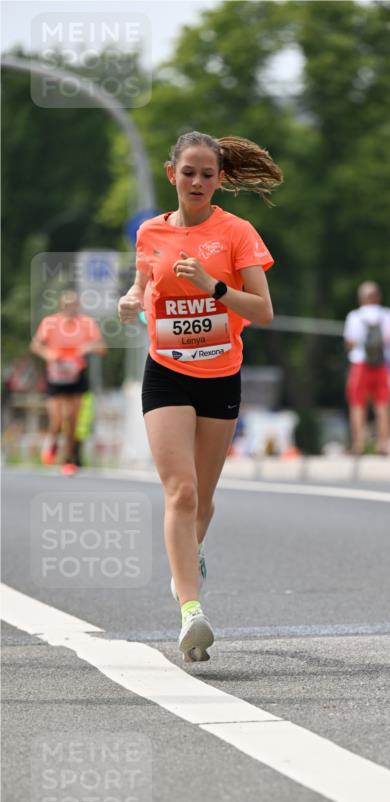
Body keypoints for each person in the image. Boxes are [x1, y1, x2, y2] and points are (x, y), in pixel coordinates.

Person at [118, 131, 281, 664]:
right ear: (172, 175)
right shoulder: (150, 232)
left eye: (208, 174)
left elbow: (263, 311)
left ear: (220, 180)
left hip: (220, 375)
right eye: (188, 172)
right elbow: (144, 284)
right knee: (182, 493)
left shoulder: (236, 232)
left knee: (203, 501)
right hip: (166, 371)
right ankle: (191, 612)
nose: (197, 182)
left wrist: (214, 286)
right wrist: (131, 298)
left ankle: (191, 556)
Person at [30, 289, 106, 474]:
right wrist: (49, 354)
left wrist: (88, 348)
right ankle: (52, 441)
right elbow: (36, 345)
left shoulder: (87, 323)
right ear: (61, 306)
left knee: (72, 420)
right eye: (66, 305)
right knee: (57, 420)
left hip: (76, 375)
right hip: (56, 376)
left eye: (73, 305)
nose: (70, 308)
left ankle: (68, 459)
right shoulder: (50, 322)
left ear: (78, 306)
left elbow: (102, 348)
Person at [343, 281, 390, 455]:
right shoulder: (387, 314)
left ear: (361, 298)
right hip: (382, 364)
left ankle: (359, 444)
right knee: (382, 404)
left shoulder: (355, 316)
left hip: (360, 364)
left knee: (357, 404)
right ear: (378, 297)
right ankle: (383, 444)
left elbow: (350, 342)